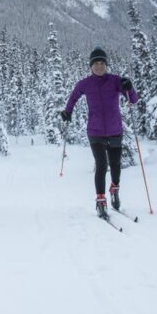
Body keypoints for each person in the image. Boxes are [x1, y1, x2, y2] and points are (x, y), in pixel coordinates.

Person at [60, 47, 139, 217]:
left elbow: (132, 99)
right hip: (95, 132)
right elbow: (73, 97)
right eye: (96, 63)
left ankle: (114, 189)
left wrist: (129, 87)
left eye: (102, 63)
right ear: (91, 66)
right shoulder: (85, 84)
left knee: (116, 164)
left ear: (106, 65)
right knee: (102, 165)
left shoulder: (116, 81)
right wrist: (68, 112)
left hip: (115, 130)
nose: (99, 66)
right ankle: (100, 200)